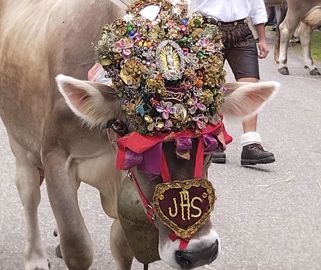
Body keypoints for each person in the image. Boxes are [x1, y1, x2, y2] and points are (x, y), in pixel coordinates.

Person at [189, 0, 275, 165]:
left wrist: (262, 39)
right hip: (207, 30)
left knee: (250, 87)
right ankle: (214, 139)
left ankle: (251, 144)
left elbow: (257, 4)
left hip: (241, 31)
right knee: (208, 87)